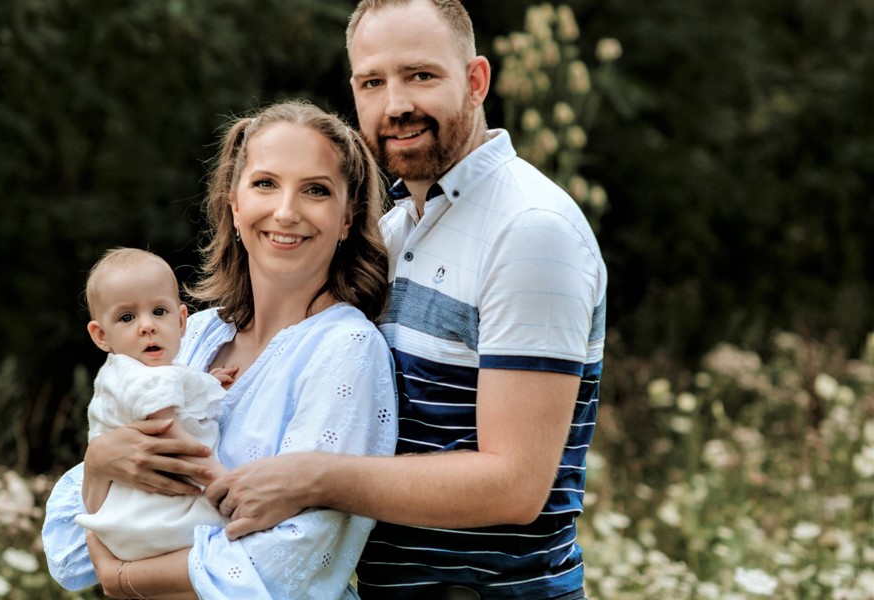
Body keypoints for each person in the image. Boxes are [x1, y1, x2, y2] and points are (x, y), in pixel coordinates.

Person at [204, 1, 608, 599]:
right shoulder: (394, 231)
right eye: (373, 82)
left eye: (420, 75)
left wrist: (313, 479)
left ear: (476, 81)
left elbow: (516, 486)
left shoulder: (529, 230)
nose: (395, 105)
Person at [42, 99, 398, 599]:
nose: (285, 211)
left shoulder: (346, 350)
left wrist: (125, 578)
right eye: (265, 184)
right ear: (234, 204)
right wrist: (99, 461)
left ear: (347, 218)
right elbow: (71, 550)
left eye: (316, 190)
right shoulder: (193, 334)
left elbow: (286, 563)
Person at [73, 247, 235, 562]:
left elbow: (173, 388)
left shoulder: (136, 373)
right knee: (243, 528)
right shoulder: (137, 376)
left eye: (159, 312)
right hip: (156, 520)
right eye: (127, 317)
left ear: (181, 320)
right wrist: (222, 482)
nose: (147, 325)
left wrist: (205, 383)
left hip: (130, 522)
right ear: (101, 335)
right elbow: (170, 433)